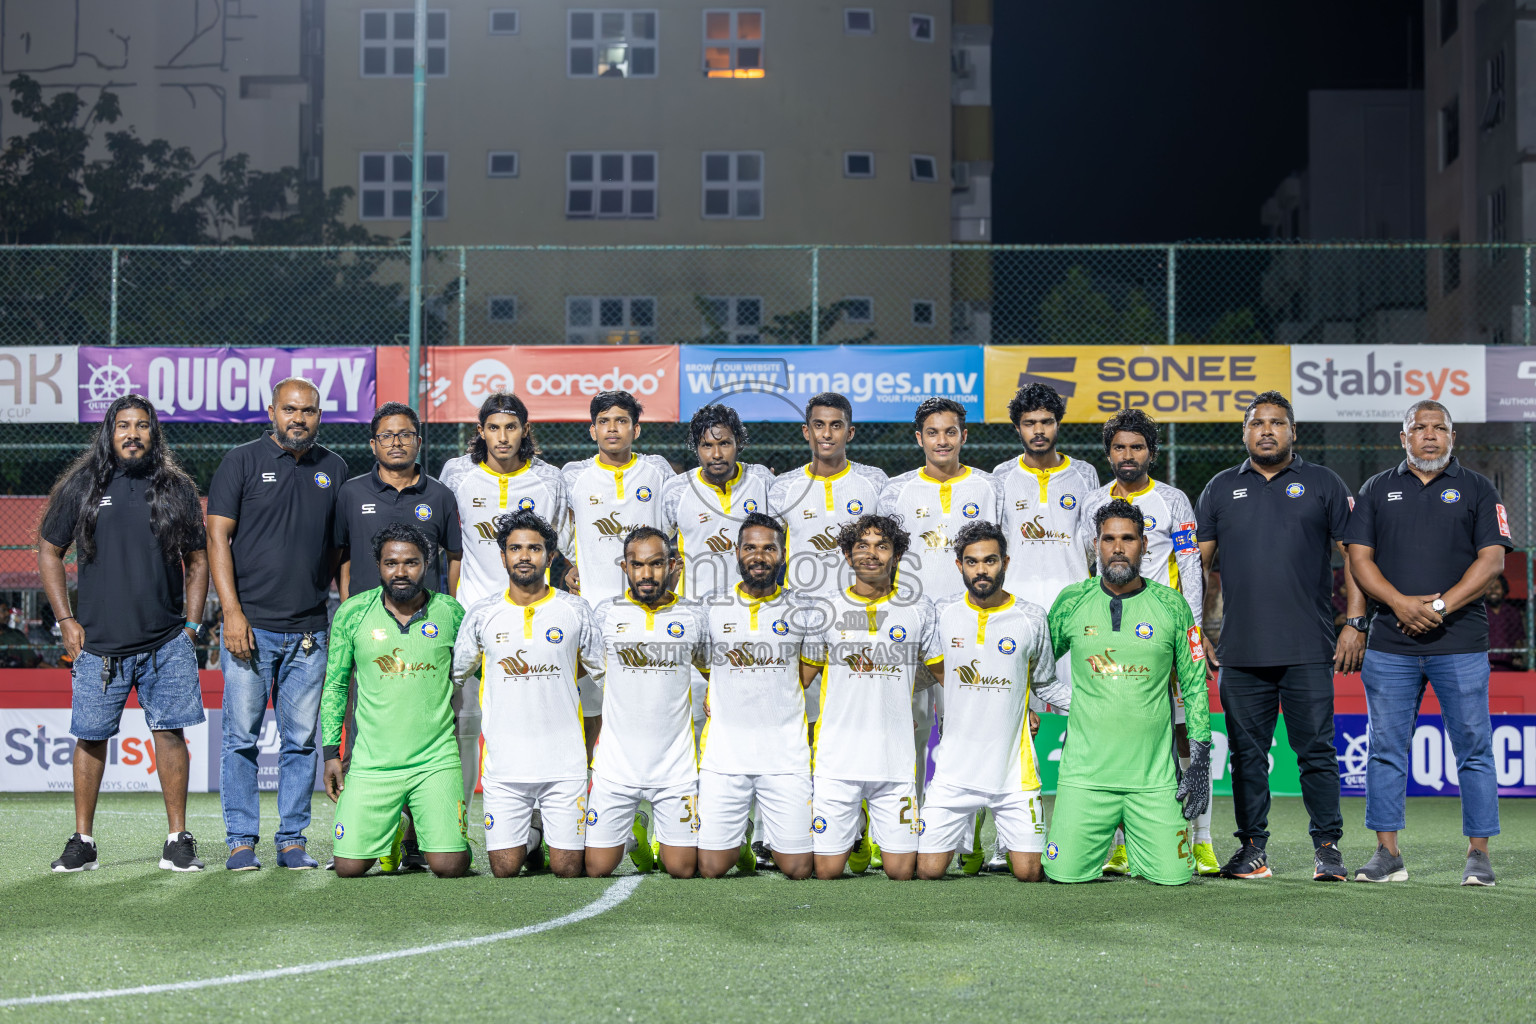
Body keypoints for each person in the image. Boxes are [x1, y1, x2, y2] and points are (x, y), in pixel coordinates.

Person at [1195, 390, 1364, 882]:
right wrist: (1200, 629)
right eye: (1257, 423)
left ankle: (1328, 849)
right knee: (1248, 757)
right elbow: (1197, 566)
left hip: (1308, 647)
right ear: (1244, 433)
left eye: (1277, 422)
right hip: (1241, 651)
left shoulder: (1323, 483)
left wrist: (1354, 622)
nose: (1266, 430)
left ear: (1293, 432)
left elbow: (1354, 556)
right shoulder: (1221, 488)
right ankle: (1252, 850)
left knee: (1316, 751)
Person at [1344, 399, 1511, 887]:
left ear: (1452, 437)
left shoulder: (1478, 488)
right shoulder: (1377, 488)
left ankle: (1478, 855)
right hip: (1390, 645)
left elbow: (1492, 562)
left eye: (1440, 427)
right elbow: (1359, 559)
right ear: (1404, 437)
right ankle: (1387, 853)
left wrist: (1437, 608)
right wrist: (1399, 604)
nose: (1430, 435)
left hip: (1460, 641)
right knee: (1385, 748)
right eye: (1420, 427)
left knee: (1474, 748)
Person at [39, 395, 209, 872]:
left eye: (142, 426)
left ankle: (177, 839)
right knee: (90, 737)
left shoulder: (175, 487)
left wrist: (191, 627)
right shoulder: (82, 486)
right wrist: (66, 620)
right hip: (98, 647)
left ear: (154, 434)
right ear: (109, 433)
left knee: (169, 734)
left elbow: (197, 562)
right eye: (123, 426)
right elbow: (49, 551)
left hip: (164, 642)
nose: (132, 434)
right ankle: (83, 841)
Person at [207, 377, 348, 871]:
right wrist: (231, 612)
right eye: (290, 409)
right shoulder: (240, 461)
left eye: (308, 411)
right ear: (272, 412)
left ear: (319, 416)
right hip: (250, 629)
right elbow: (217, 538)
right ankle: (241, 840)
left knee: (300, 743)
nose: (299, 419)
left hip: (310, 632)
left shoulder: (335, 468)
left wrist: (337, 609)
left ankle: (292, 840)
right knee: (241, 738)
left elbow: (338, 550)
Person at [1043, 499, 1211, 885]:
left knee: (1174, 877)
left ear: (1144, 544)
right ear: (1096, 545)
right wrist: (1055, 703)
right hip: (1085, 777)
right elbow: (1036, 667)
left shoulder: (1172, 605)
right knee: (1062, 874)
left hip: (1152, 780)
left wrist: (1200, 757)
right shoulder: (1072, 601)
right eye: (1109, 539)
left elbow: (1194, 684)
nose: (1118, 547)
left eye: (1128, 538)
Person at [1079, 409, 1216, 877]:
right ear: (1109, 453)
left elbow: (1191, 568)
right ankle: (1119, 845)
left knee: (1185, 734)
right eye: (1119, 447)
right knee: (1117, 734)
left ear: (1151, 453)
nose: (1128, 455)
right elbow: (1087, 567)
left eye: (1137, 447)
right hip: (1114, 636)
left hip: (1166, 634)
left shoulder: (1174, 501)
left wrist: (1192, 630)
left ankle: (1201, 839)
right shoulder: (1093, 501)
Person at [879, 396, 1003, 872]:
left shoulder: (988, 487)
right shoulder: (895, 491)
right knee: (904, 735)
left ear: (964, 436)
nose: (942, 441)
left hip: (968, 632)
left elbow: (998, 556)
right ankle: (900, 833)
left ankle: (970, 841)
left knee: (968, 735)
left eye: (950, 432)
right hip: (909, 632)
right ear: (919, 439)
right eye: (933, 433)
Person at [764, 391, 886, 867]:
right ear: (806, 432)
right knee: (795, 731)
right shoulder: (782, 489)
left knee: (858, 730)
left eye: (837, 425)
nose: (827, 434)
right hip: (800, 629)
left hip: (862, 626)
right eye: (819, 425)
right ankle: (783, 832)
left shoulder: (874, 483)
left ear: (849, 432)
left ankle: (866, 833)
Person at [450, 509, 602, 879]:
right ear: (502, 556)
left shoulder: (575, 610)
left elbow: (607, 675)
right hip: (505, 766)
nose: (524, 556)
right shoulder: (482, 614)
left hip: (564, 764)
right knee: (504, 869)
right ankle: (534, 832)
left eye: (534, 549)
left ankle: (613, 835)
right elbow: (454, 676)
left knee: (568, 869)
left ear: (550, 557)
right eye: (515, 548)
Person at [917, 521, 1070, 882]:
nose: (981, 570)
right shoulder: (941, 613)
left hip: (1012, 773)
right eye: (972, 562)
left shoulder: (1032, 617)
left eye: (990, 561)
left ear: (1005, 561)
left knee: (1029, 874)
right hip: (954, 772)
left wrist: (1099, 704)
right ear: (959, 566)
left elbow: (1045, 682)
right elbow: (925, 673)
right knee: (926, 871)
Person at [440, 391, 570, 813]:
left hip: (534, 618)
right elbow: (450, 547)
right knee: (463, 725)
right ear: (480, 432)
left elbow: (562, 547)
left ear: (525, 431)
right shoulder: (456, 474)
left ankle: (536, 825)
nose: (502, 436)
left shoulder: (550, 479)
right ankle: (455, 823)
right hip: (471, 620)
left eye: (511, 427)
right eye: (493, 428)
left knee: (531, 722)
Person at [321, 523, 469, 878]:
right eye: (391, 563)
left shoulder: (451, 613)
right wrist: (330, 754)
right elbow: (336, 686)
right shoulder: (353, 613)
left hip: (434, 760)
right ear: (378, 566)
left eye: (411, 563)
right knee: (348, 869)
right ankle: (395, 828)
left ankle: (425, 828)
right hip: (372, 763)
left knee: (449, 867)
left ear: (427, 564)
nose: (400, 572)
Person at [799, 513, 942, 881]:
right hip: (837, 761)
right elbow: (801, 677)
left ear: (896, 556)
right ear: (847, 555)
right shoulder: (826, 609)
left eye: (882, 546)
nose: (872, 554)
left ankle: (866, 826)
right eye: (862, 546)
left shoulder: (919, 609)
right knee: (826, 872)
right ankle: (857, 829)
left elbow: (946, 675)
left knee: (901, 872)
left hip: (893, 761)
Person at [696, 513, 814, 880]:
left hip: (785, 756)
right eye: (750, 547)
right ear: (736, 552)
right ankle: (742, 838)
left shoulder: (804, 609)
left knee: (797, 869)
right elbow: (705, 663)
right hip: (725, 755)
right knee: (712, 869)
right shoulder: (710, 607)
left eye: (768, 548)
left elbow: (804, 675)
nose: (758, 556)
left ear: (782, 555)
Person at [587, 526, 710, 880]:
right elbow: (590, 668)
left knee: (682, 870)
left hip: (675, 767)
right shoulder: (604, 614)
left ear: (672, 565)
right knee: (596, 869)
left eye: (655, 564)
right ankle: (635, 835)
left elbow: (713, 667)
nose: (646, 573)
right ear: (624, 567)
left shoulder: (693, 616)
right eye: (636, 564)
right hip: (616, 766)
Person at [561, 390, 675, 760]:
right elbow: (560, 532)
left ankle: (640, 798)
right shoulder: (573, 476)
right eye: (605, 421)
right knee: (591, 711)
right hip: (592, 614)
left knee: (645, 708)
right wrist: (568, 567)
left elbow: (676, 528)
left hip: (646, 614)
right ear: (592, 430)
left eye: (622, 421)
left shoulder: (657, 471)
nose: (613, 429)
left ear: (636, 430)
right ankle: (586, 788)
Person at [336, 402, 462, 601]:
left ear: (418, 442)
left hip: (424, 619)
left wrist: (453, 608)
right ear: (373, 446)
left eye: (405, 435)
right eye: (386, 436)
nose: (396, 443)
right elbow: (342, 556)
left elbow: (455, 557)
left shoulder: (441, 495)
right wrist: (346, 607)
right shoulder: (350, 493)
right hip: (364, 618)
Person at [661, 404, 774, 599]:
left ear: (738, 442)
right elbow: (652, 545)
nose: (717, 455)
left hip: (752, 607)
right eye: (707, 445)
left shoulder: (762, 480)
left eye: (724, 443)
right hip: (695, 608)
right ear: (696, 447)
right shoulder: (676, 490)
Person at [1483, 576, 1526, 671]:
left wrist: (1518, 656)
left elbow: (1519, 640)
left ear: (1503, 590)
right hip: (1484, 663)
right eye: (1489, 588)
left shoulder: (1513, 612)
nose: (1493, 591)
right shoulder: (1480, 612)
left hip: (1507, 663)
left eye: (1497, 587)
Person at [0, 599, 41, 668]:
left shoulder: (16, 634)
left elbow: (29, 659)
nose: (8, 614)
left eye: (8, 610)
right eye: (3, 610)